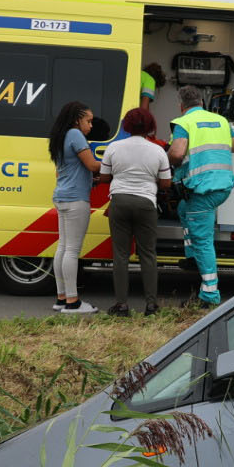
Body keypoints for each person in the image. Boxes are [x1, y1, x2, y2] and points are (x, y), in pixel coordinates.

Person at [167, 85, 234, 306]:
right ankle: (192, 257)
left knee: (204, 241)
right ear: (202, 102)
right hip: (223, 186)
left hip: (202, 190)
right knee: (183, 208)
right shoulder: (220, 120)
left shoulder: (183, 123)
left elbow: (178, 152)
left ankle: (209, 295)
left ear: (182, 106)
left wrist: (167, 158)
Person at [99, 107, 172, 317]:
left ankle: (121, 305)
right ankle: (151, 306)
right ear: (150, 126)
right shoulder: (157, 150)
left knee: (120, 255)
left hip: (119, 202)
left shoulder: (114, 147)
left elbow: (104, 178)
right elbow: (166, 183)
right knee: (148, 254)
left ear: (127, 126)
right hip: (146, 203)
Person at [47, 101, 103, 314]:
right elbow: (92, 165)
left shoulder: (61, 136)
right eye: (88, 121)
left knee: (62, 247)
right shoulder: (76, 135)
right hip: (75, 199)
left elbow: (71, 170)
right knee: (72, 250)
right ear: (76, 120)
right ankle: (73, 302)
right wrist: (114, 160)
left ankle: (61, 298)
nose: (90, 125)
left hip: (62, 196)